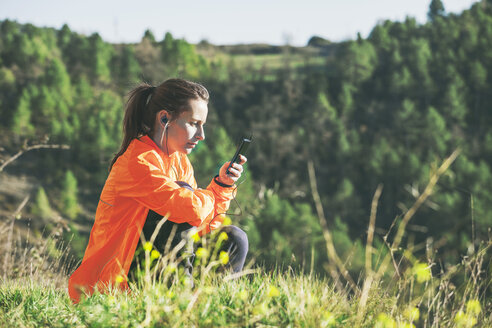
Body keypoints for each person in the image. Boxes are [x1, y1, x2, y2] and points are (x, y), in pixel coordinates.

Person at [68, 78, 248, 304]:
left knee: (233, 239)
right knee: (182, 201)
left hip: (151, 269)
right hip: (112, 287)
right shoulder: (137, 162)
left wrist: (221, 186)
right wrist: (210, 195)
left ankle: (209, 306)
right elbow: (190, 210)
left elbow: (203, 224)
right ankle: (180, 303)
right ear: (164, 118)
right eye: (194, 123)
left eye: (203, 125)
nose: (201, 135)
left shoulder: (179, 161)